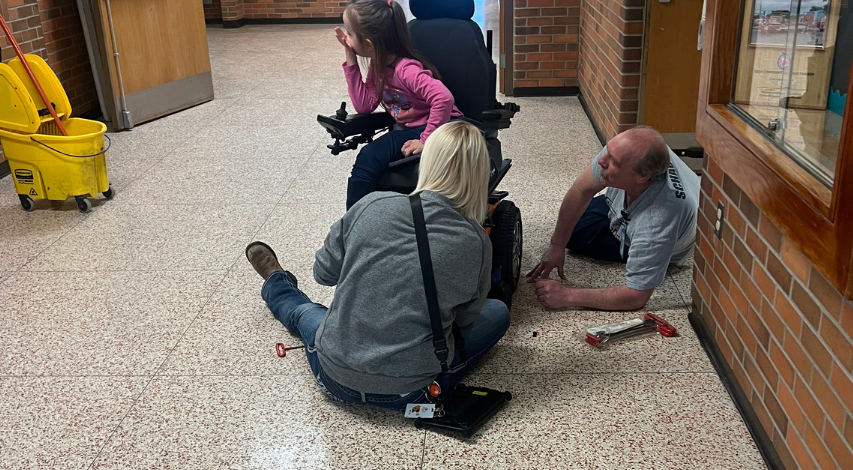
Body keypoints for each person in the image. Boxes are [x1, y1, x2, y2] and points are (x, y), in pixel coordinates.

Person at [244, 122, 510, 409]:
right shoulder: (476, 242)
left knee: (306, 313)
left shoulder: (371, 204)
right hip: (412, 390)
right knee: (497, 312)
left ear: (427, 161)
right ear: (480, 175)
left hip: (333, 373)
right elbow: (466, 318)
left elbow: (323, 274)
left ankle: (276, 280)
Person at [527, 126, 698, 311]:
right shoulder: (627, 151)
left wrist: (567, 295)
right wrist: (556, 246)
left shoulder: (655, 224)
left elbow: (635, 296)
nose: (601, 160)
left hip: (665, 238)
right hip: (635, 197)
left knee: (577, 235)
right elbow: (581, 190)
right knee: (573, 221)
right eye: (608, 150)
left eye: (613, 163)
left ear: (643, 176)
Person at [335, 0, 462, 209]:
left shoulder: (406, 70)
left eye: (350, 34)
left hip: (438, 125)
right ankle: (360, 219)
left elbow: (443, 98)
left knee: (369, 156)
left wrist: (426, 139)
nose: (347, 37)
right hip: (408, 127)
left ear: (368, 44)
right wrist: (350, 56)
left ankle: (352, 224)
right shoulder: (378, 66)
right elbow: (364, 105)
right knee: (372, 159)